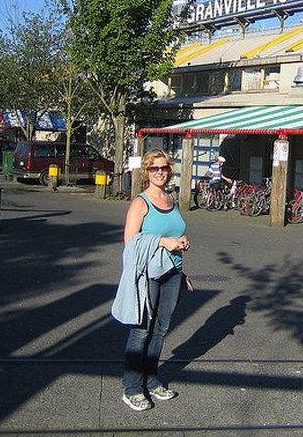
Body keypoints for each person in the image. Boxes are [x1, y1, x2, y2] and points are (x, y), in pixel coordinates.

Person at [114, 149, 190, 411]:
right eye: (154, 168)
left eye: (164, 168)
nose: (160, 172)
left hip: (173, 272)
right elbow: (130, 242)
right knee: (142, 330)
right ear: (146, 172)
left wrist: (179, 244)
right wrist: (161, 241)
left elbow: (174, 231)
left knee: (160, 330)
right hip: (148, 274)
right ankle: (132, 387)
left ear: (170, 170)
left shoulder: (172, 199)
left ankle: (151, 378)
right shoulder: (140, 202)